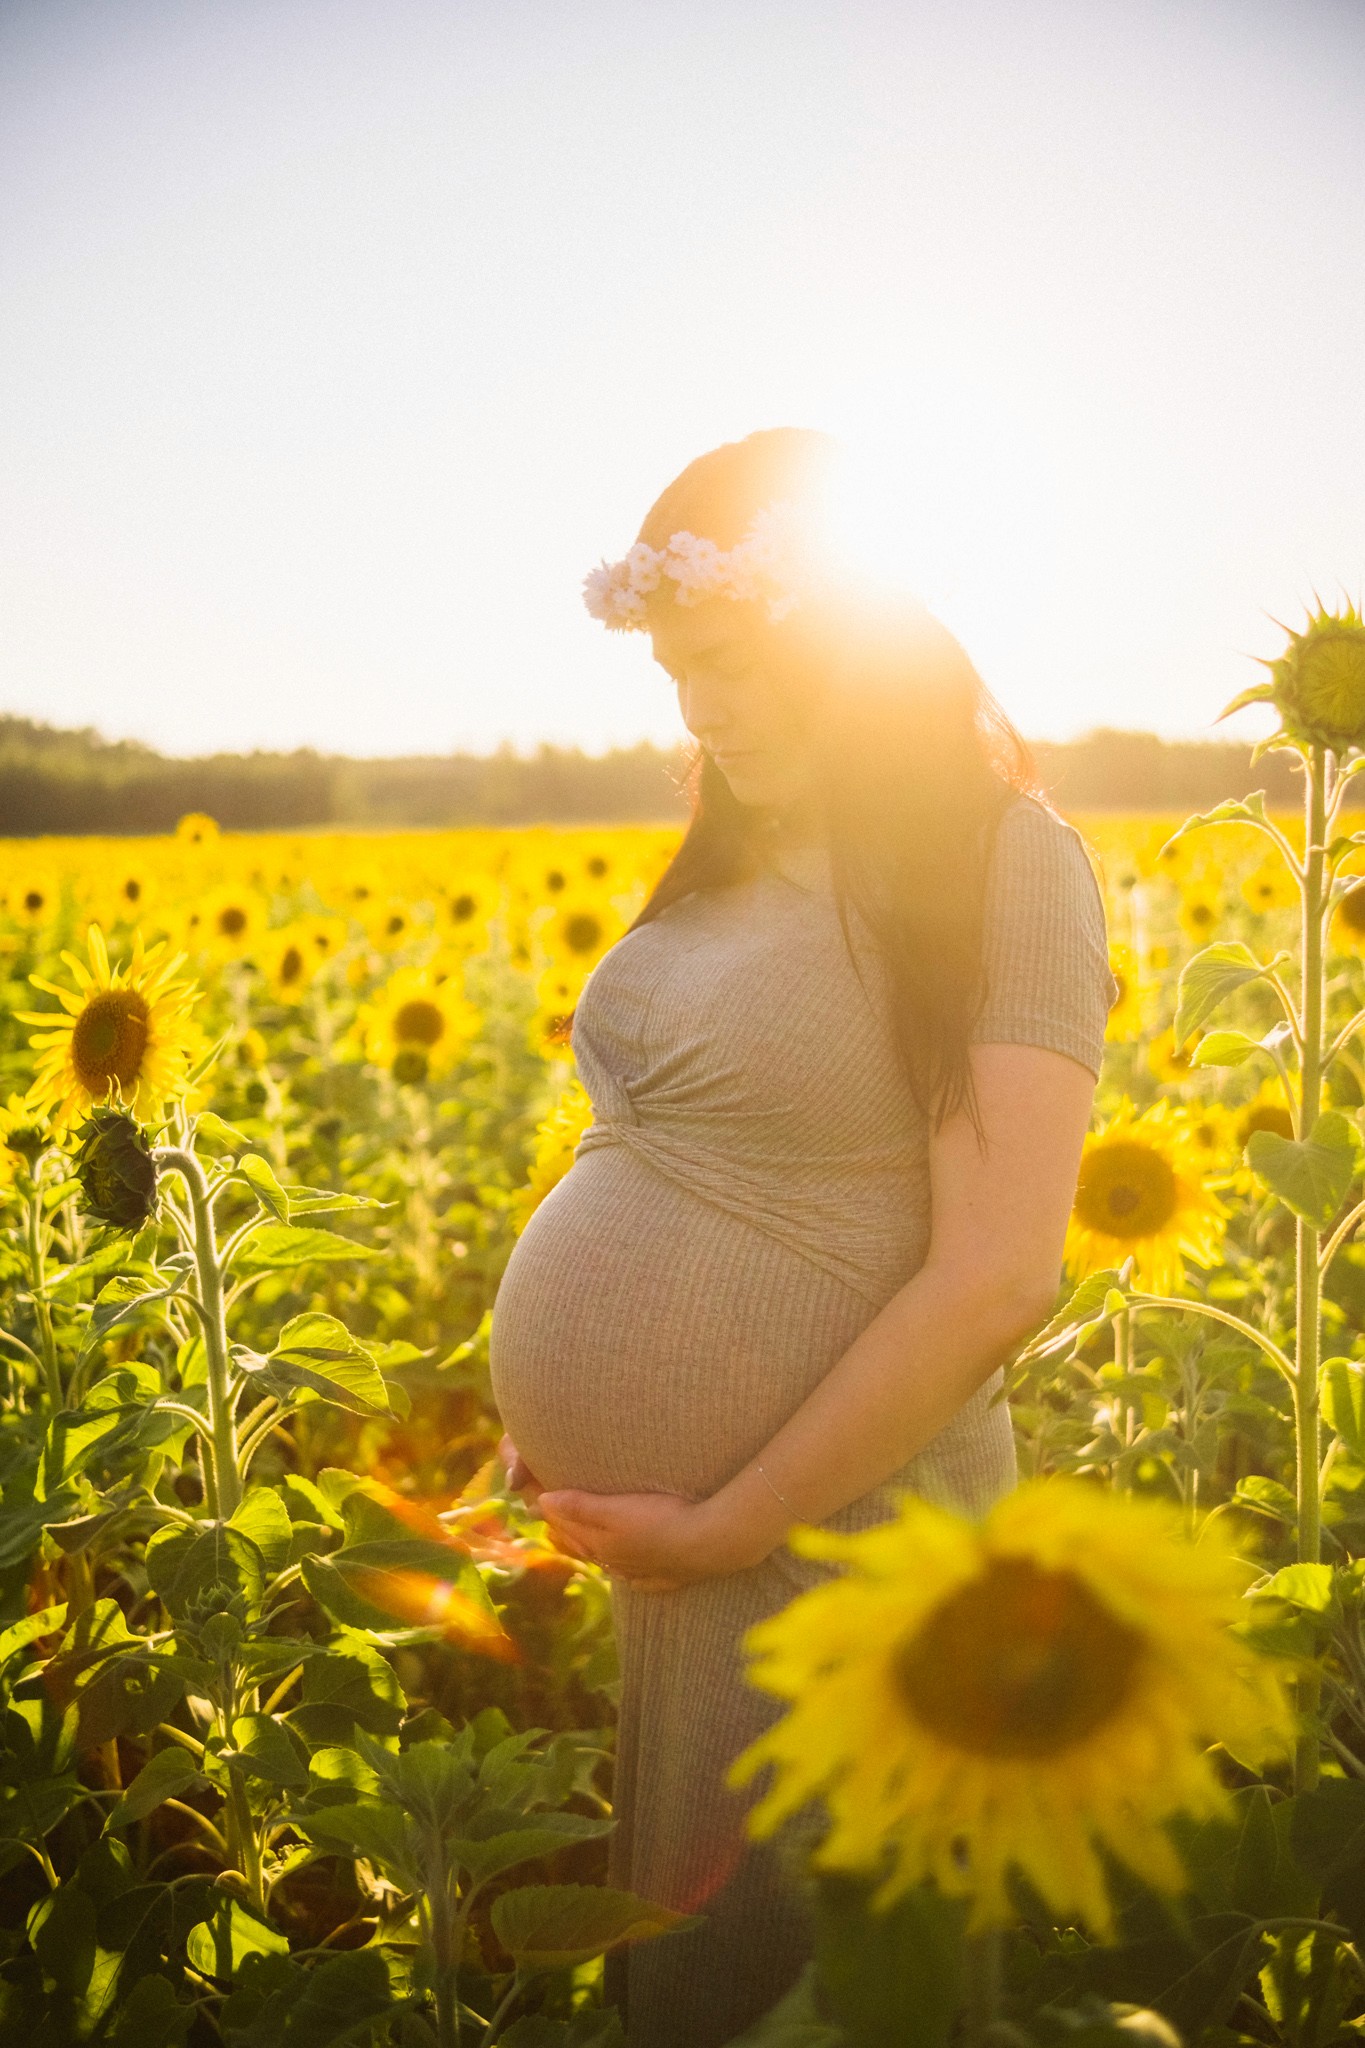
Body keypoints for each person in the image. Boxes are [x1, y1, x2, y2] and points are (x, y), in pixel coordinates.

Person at [488, 427, 1118, 2047]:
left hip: (844, 1537)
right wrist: (554, 1410)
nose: (696, 710)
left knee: (830, 1989)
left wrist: (730, 1515)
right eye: (671, 673)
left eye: (727, 666)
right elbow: (669, 1144)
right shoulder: (730, 853)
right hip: (691, 1550)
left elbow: (997, 1278)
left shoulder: (1000, 861)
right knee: (703, 1985)